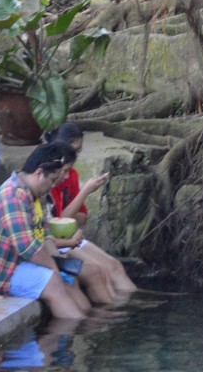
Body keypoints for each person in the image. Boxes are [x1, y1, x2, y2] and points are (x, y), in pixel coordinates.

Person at [0, 147, 88, 328]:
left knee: (69, 277)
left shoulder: (30, 193)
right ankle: (76, 331)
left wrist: (59, 263)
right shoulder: (13, 195)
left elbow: (45, 235)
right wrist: (55, 269)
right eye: (53, 180)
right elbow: (27, 247)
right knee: (52, 281)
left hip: (16, 264)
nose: (54, 185)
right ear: (39, 173)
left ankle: (85, 326)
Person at [39, 124, 134, 306]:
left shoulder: (70, 175)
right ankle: (116, 312)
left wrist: (68, 218)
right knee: (100, 271)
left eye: (78, 151)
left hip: (69, 237)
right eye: (73, 151)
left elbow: (81, 218)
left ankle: (128, 309)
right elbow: (56, 225)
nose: (75, 157)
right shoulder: (49, 178)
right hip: (58, 242)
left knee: (115, 266)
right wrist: (86, 192)